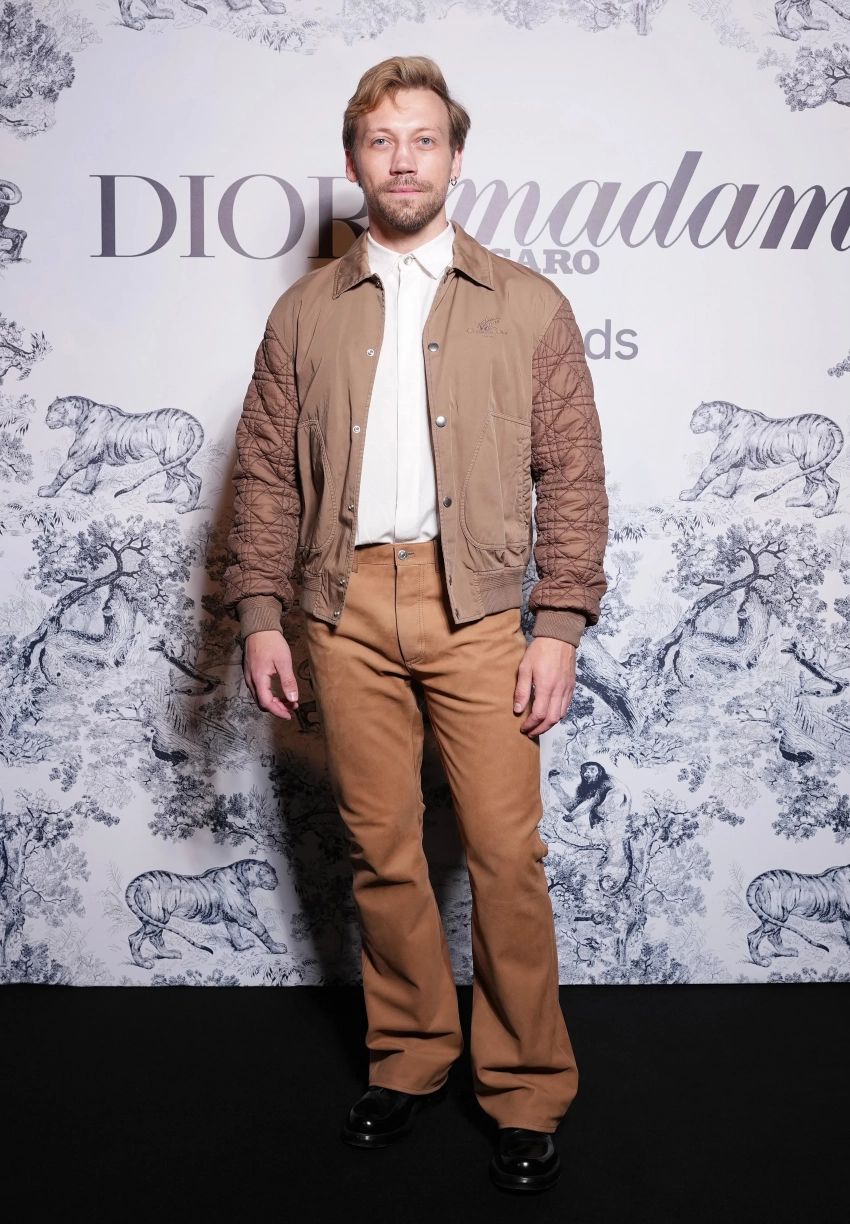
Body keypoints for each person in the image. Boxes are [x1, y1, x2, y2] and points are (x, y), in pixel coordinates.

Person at [223, 55, 608, 1194]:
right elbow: (264, 477)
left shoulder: (529, 305)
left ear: (455, 157)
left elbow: (573, 475)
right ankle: (408, 1057)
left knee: (505, 855)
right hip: (341, 610)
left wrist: (559, 624)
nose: (404, 159)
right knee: (382, 851)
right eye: (382, 140)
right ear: (354, 160)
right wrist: (260, 614)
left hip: (478, 610)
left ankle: (525, 1087)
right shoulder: (303, 313)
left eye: (424, 138)